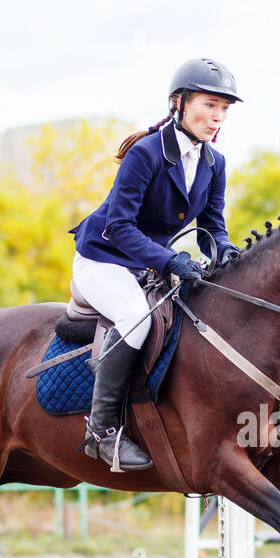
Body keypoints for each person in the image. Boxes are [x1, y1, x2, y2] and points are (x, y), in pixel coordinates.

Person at [68, 57, 243, 471]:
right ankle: (103, 432)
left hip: (148, 265)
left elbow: (214, 226)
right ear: (179, 103)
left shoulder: (215, 163)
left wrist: (228, 253)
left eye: (224, 109)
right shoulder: (146, 154)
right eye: (209, 105)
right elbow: (120, 226)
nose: (217, 117)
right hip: (103, 258)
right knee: (136, 317)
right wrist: (171, 260)